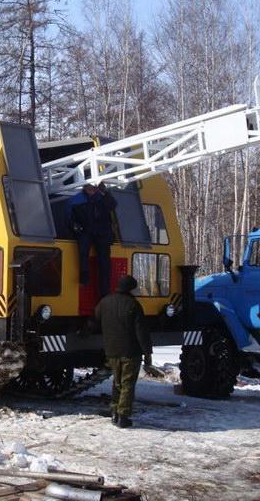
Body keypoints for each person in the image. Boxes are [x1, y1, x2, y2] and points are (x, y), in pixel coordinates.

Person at [94, 274, 153, 428]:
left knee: (117, 382)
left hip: (111, 350)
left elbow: (95, 320)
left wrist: (85, 332)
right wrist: (147, 352)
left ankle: (114, 412)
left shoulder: (105, 302)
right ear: (130, 289)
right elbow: (141, 331)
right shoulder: (133, 305)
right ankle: (123, 416)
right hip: (130, 352)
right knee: (127, 384)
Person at [67, 182, 117, 296]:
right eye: (90, 188)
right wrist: (75, 227)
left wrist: (105, 193)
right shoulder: (77, 200)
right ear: (85, 188)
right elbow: (70, 218)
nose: (92, 190)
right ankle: (84, 277)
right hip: (87, 230)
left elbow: (112, 205)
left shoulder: (102, 197)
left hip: (102, 232)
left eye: (94, 188)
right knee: (83, 252)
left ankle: (105, 290)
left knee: (104, 262)